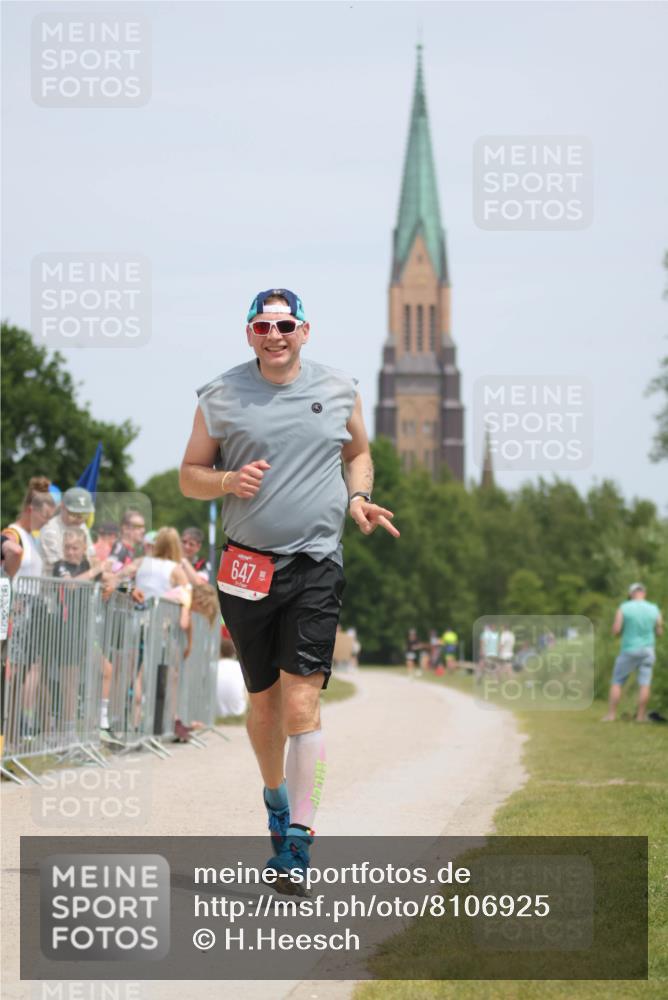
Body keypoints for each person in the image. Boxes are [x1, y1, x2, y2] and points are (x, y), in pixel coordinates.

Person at [180, 286, 399, 893]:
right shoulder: (220, 395)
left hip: (315, 564)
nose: (273, 336)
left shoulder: (339, 389)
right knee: (265, 705)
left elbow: (358, 453)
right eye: (262, 327)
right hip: (246, 568)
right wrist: (227, 479)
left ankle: (299, 841)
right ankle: (276, 799)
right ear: (249, 334)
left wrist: (358, 497)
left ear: (304, 330)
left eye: (284, 325)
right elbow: (189, 476)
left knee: (301, 703)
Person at [603, 583, 663, 723]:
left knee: (617, 681)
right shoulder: (654, 608)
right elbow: (659, 631)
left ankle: (611, 715)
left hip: (629, 649)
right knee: (645, 684)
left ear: (631, 594)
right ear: (644, 593)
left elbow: (616, 630)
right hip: (648, 650)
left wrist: (617, 633)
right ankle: (641, 717)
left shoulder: (624, 607)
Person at [2, 476, 57, 578]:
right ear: (30, 510)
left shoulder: (31, 537)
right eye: (45, 516)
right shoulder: (12, 534)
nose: (47, 523)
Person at [39, 487, 95, 575]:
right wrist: (95, 571)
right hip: (52, 582)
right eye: (73, 513)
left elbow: (91, 556)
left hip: (78, 578)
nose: (79, 518)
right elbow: (61, 569)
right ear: (63, 507)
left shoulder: (81, 525)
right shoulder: (49, 529)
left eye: (84, 514)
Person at [216, 637, 248, 718]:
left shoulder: (213, 667)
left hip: (215, 711)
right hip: (238, 711)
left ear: (219, 652)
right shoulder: (241, 667)